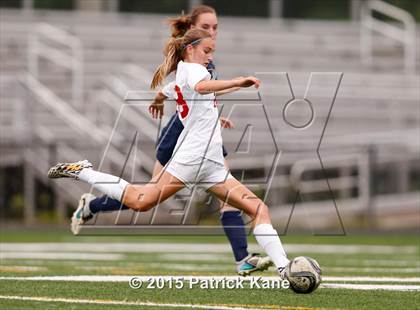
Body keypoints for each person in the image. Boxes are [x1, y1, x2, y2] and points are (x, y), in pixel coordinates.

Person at [48, 28, 290, 278]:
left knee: (259, 208)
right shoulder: (194, 70)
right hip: (194, 158)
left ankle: (285, 268)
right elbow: (203, 86)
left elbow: (186, 91)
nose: (209, 57)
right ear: (190, 49)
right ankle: (84, 171)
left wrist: (160, 99)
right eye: (207, 51)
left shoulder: (186, 73)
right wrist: (238, 81)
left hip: (212, 164)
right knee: (140, 200)